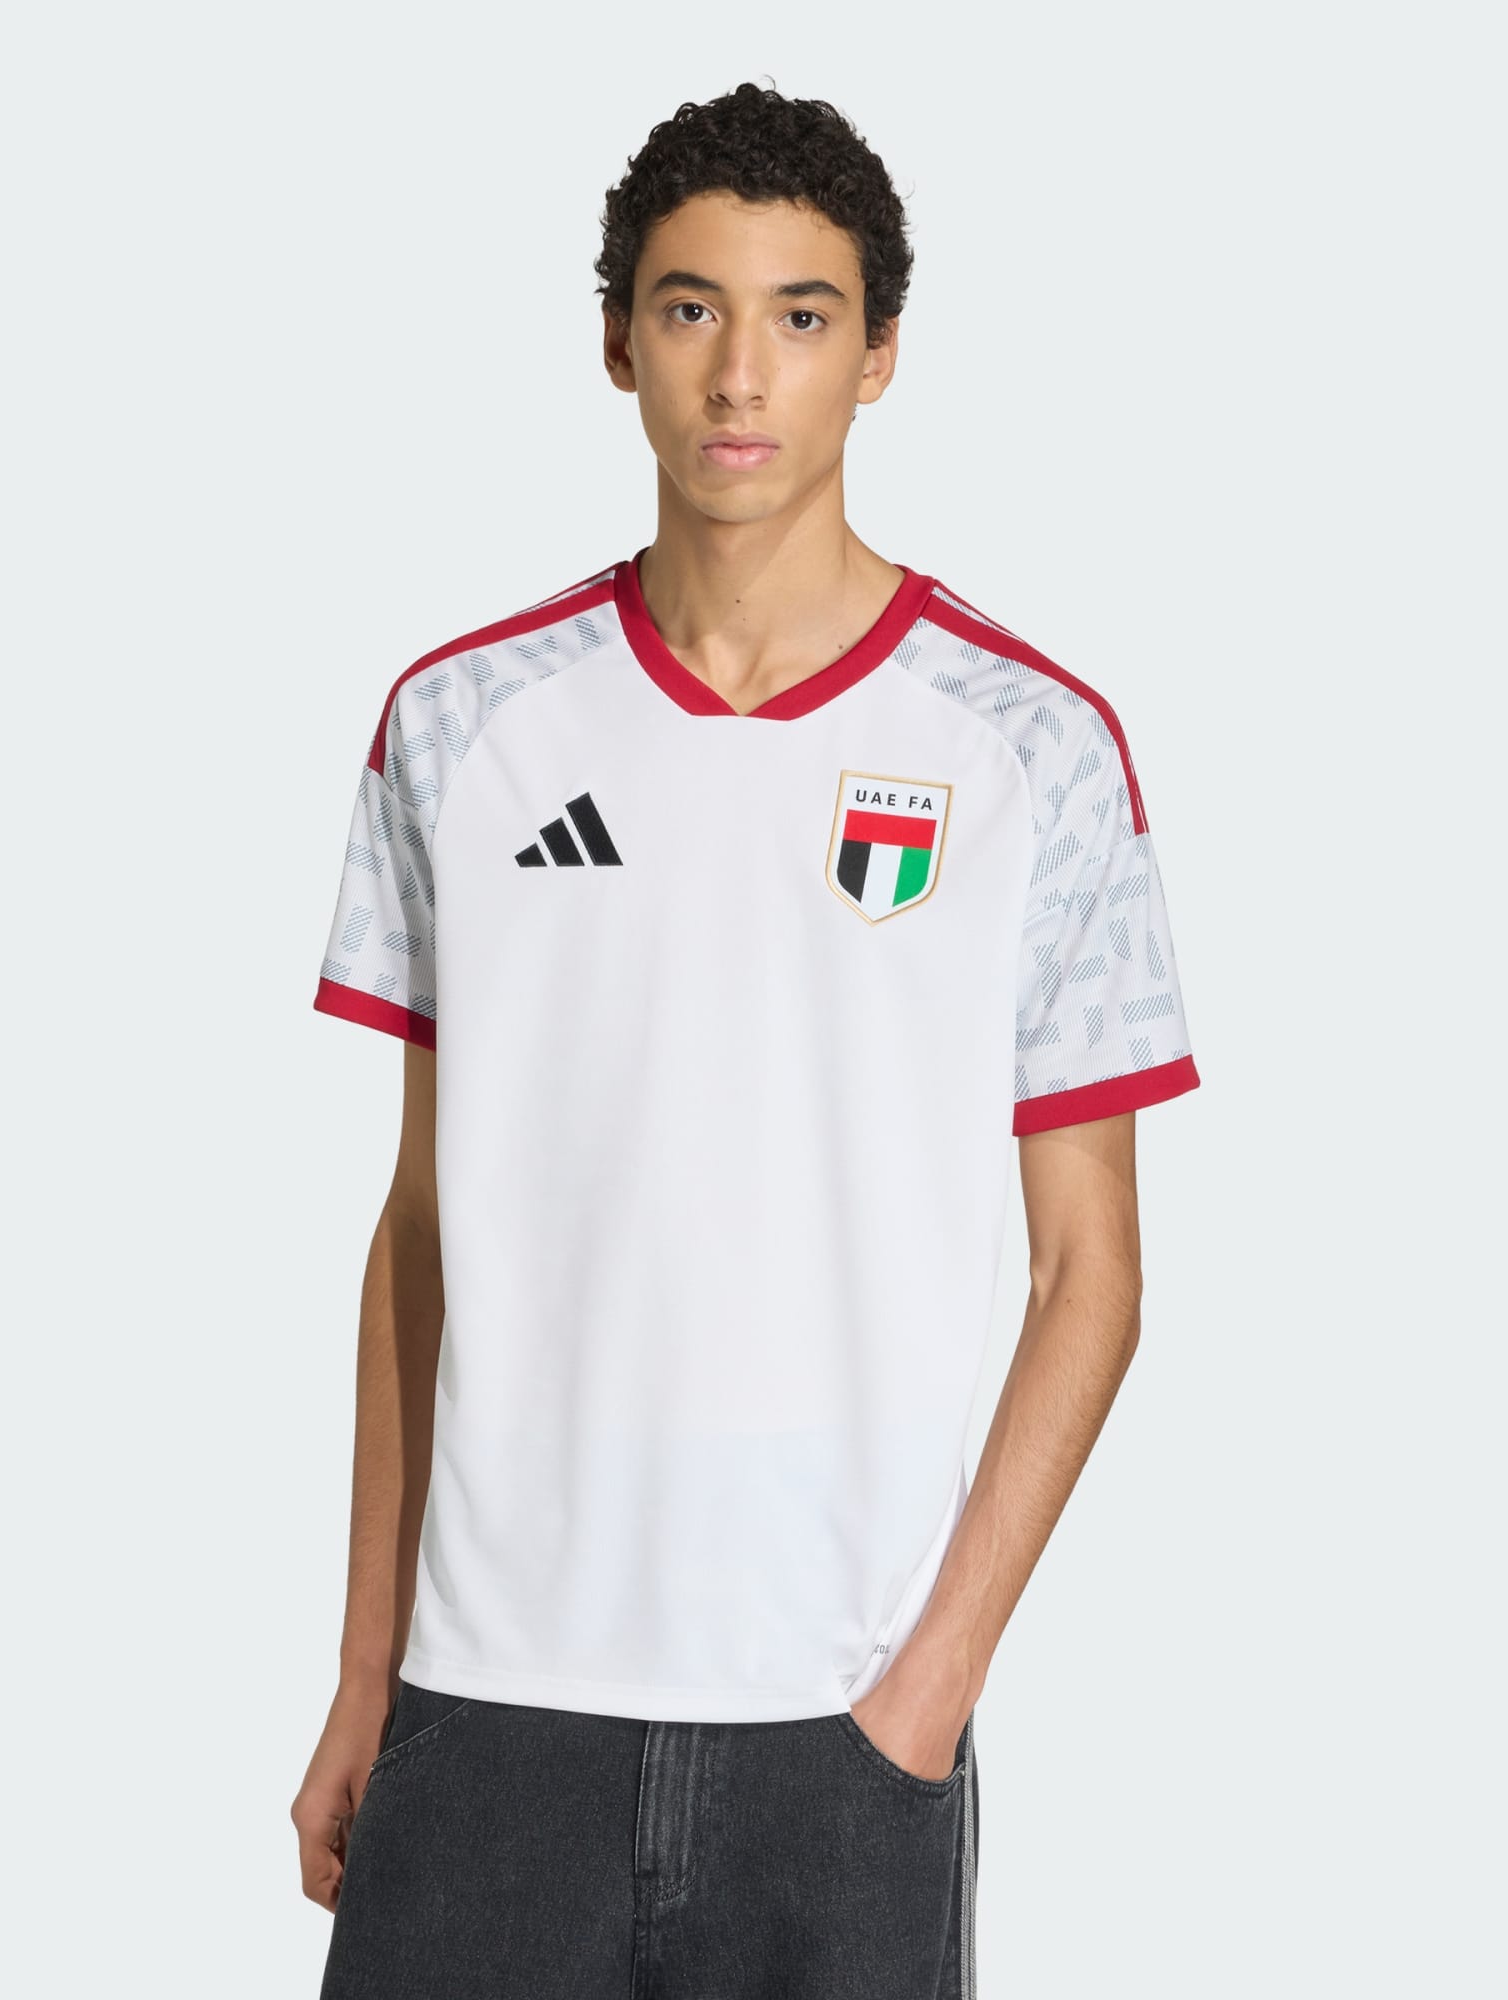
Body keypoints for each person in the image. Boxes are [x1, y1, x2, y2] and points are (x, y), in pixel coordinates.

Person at [293, 79, 1201, 1999]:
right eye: (691, 306)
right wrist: (370, 1673)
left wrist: (925, 1697)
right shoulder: (461, 723)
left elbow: (1094, 1275)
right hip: (488, 1708)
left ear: (880, 354)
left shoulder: (1034, 749)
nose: (739, 373)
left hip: (841, 1730)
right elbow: (421, 1231)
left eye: (802, 314)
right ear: (615, 339)